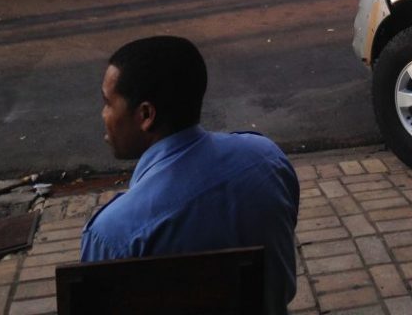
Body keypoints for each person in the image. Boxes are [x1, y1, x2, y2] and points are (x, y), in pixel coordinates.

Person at [81, 36, 300, 315]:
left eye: (107, 103)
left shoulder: (114, 234)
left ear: (146, 114)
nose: (103, 114)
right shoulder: (267, 159)